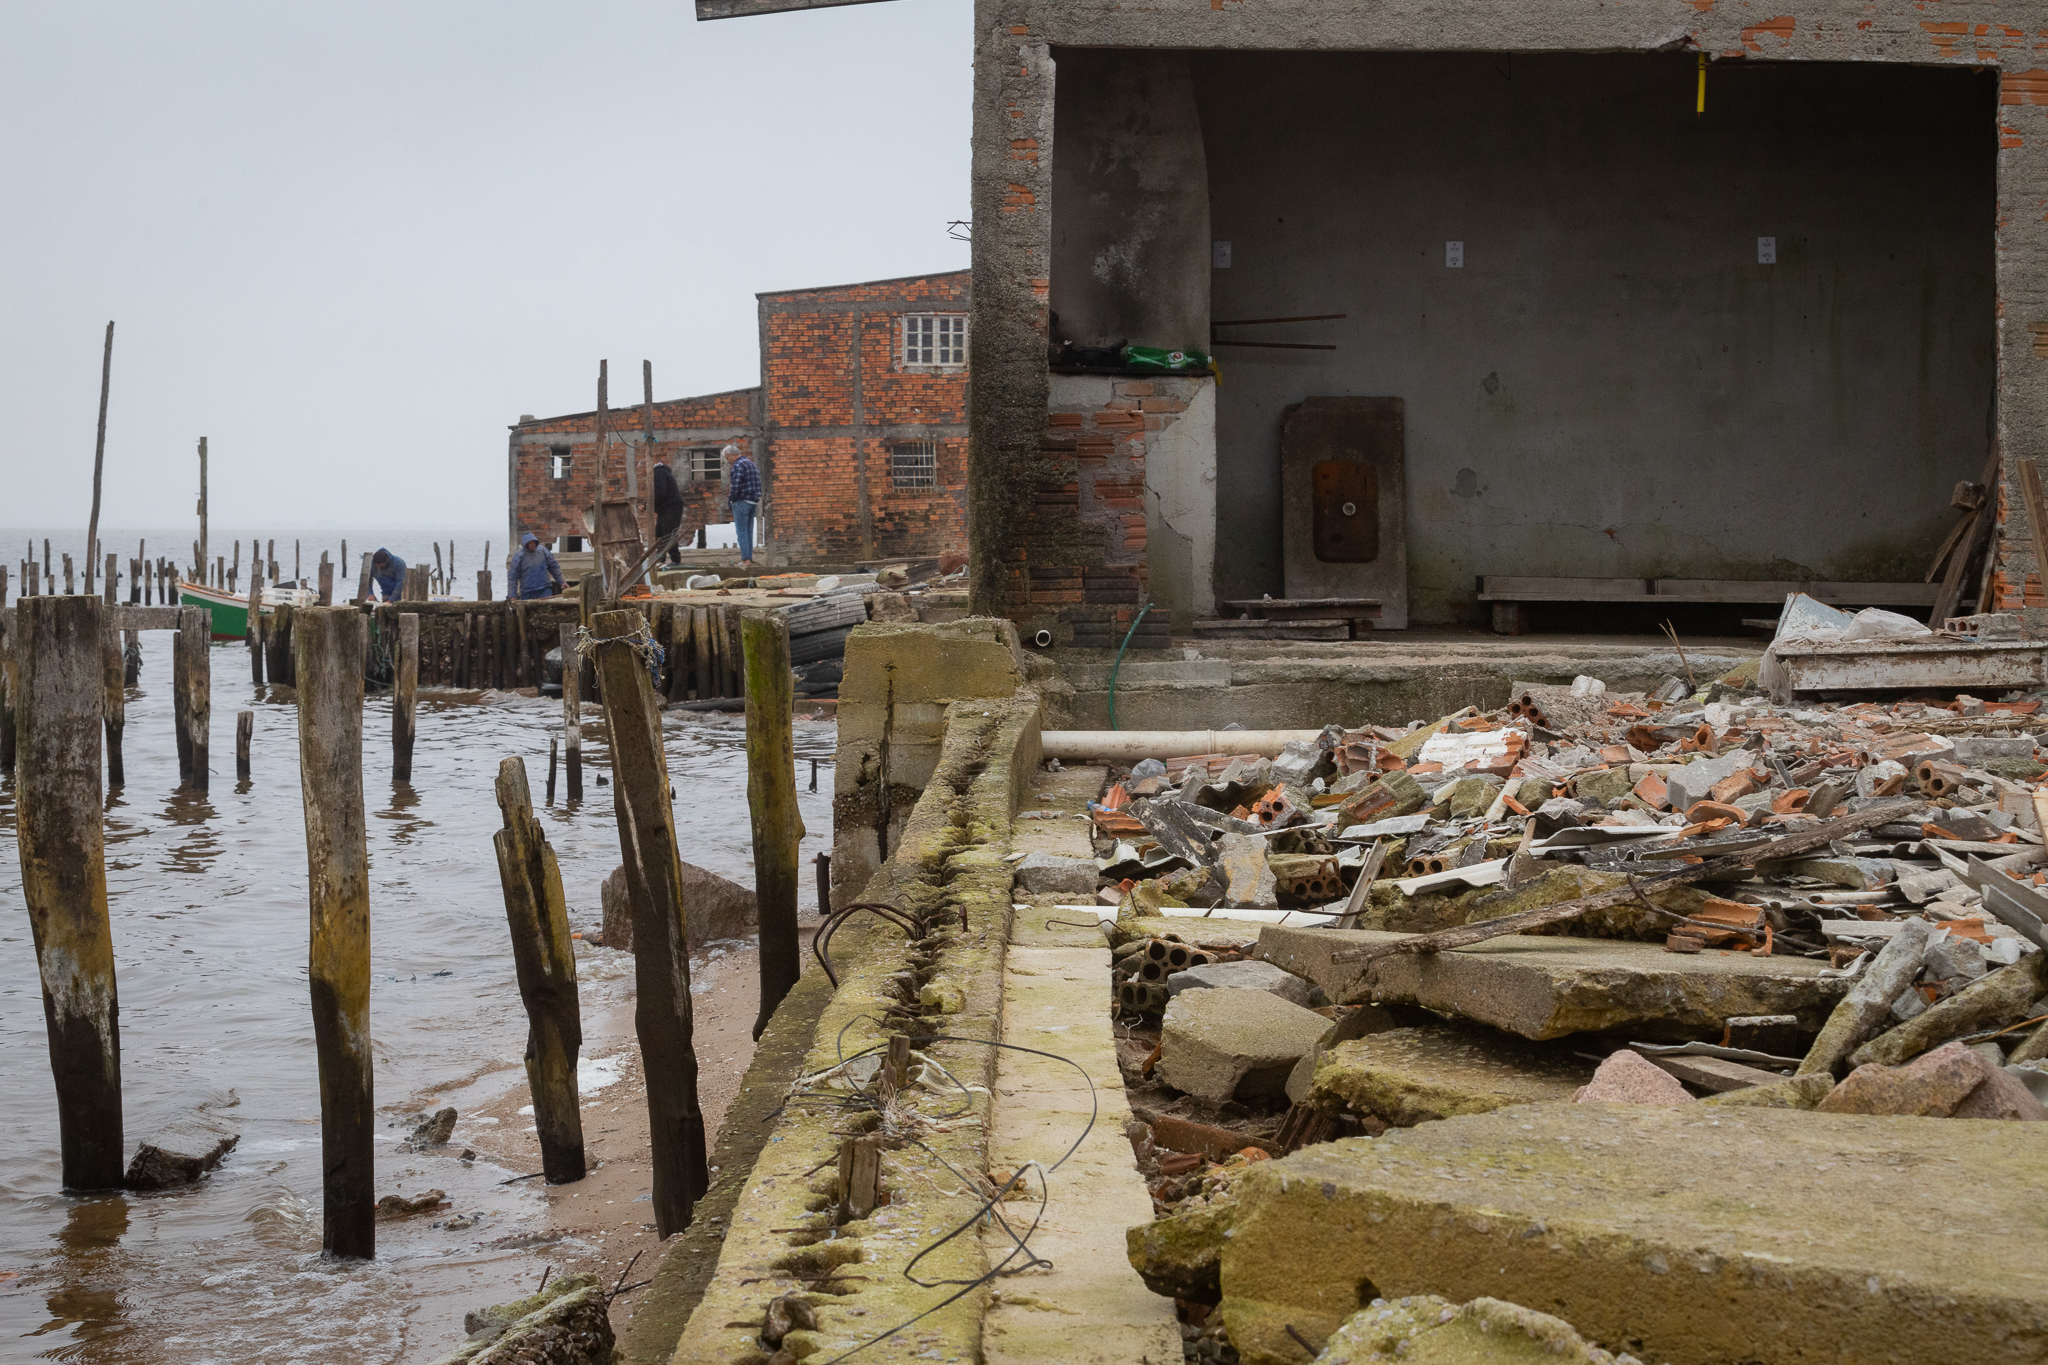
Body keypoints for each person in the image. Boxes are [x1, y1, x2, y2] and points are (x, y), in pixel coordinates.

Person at [724, 442, 761, 568]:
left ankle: (745, 560)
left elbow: (735, 486)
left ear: (732, 455)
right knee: (748, 531)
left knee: (741, 532)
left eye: (727, 458)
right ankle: (749, 558)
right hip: (753, 501)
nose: (728, 461)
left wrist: (731, 500)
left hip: (742, 501)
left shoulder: (738, 465)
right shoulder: (750, 463)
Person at [651, 453, 685, 565]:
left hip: (671, 507)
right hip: (664, 509)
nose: (641, 473)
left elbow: (660, 492)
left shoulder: (659, 473)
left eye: (640, 469)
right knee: (659, 533)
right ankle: (660, 559)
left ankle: (675, 560)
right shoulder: (659, 473)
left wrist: (648, 504)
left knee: (669, 533)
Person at [510, 532, 565, 599]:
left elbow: (554, 567)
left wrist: (562, 582)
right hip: (527, 591)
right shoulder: (518, 556)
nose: (532, 545)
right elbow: (513, 577)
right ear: (526, 545)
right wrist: (512, 595)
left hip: (544, 588)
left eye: (534, 542)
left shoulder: (543, 550)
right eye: (530, 543)